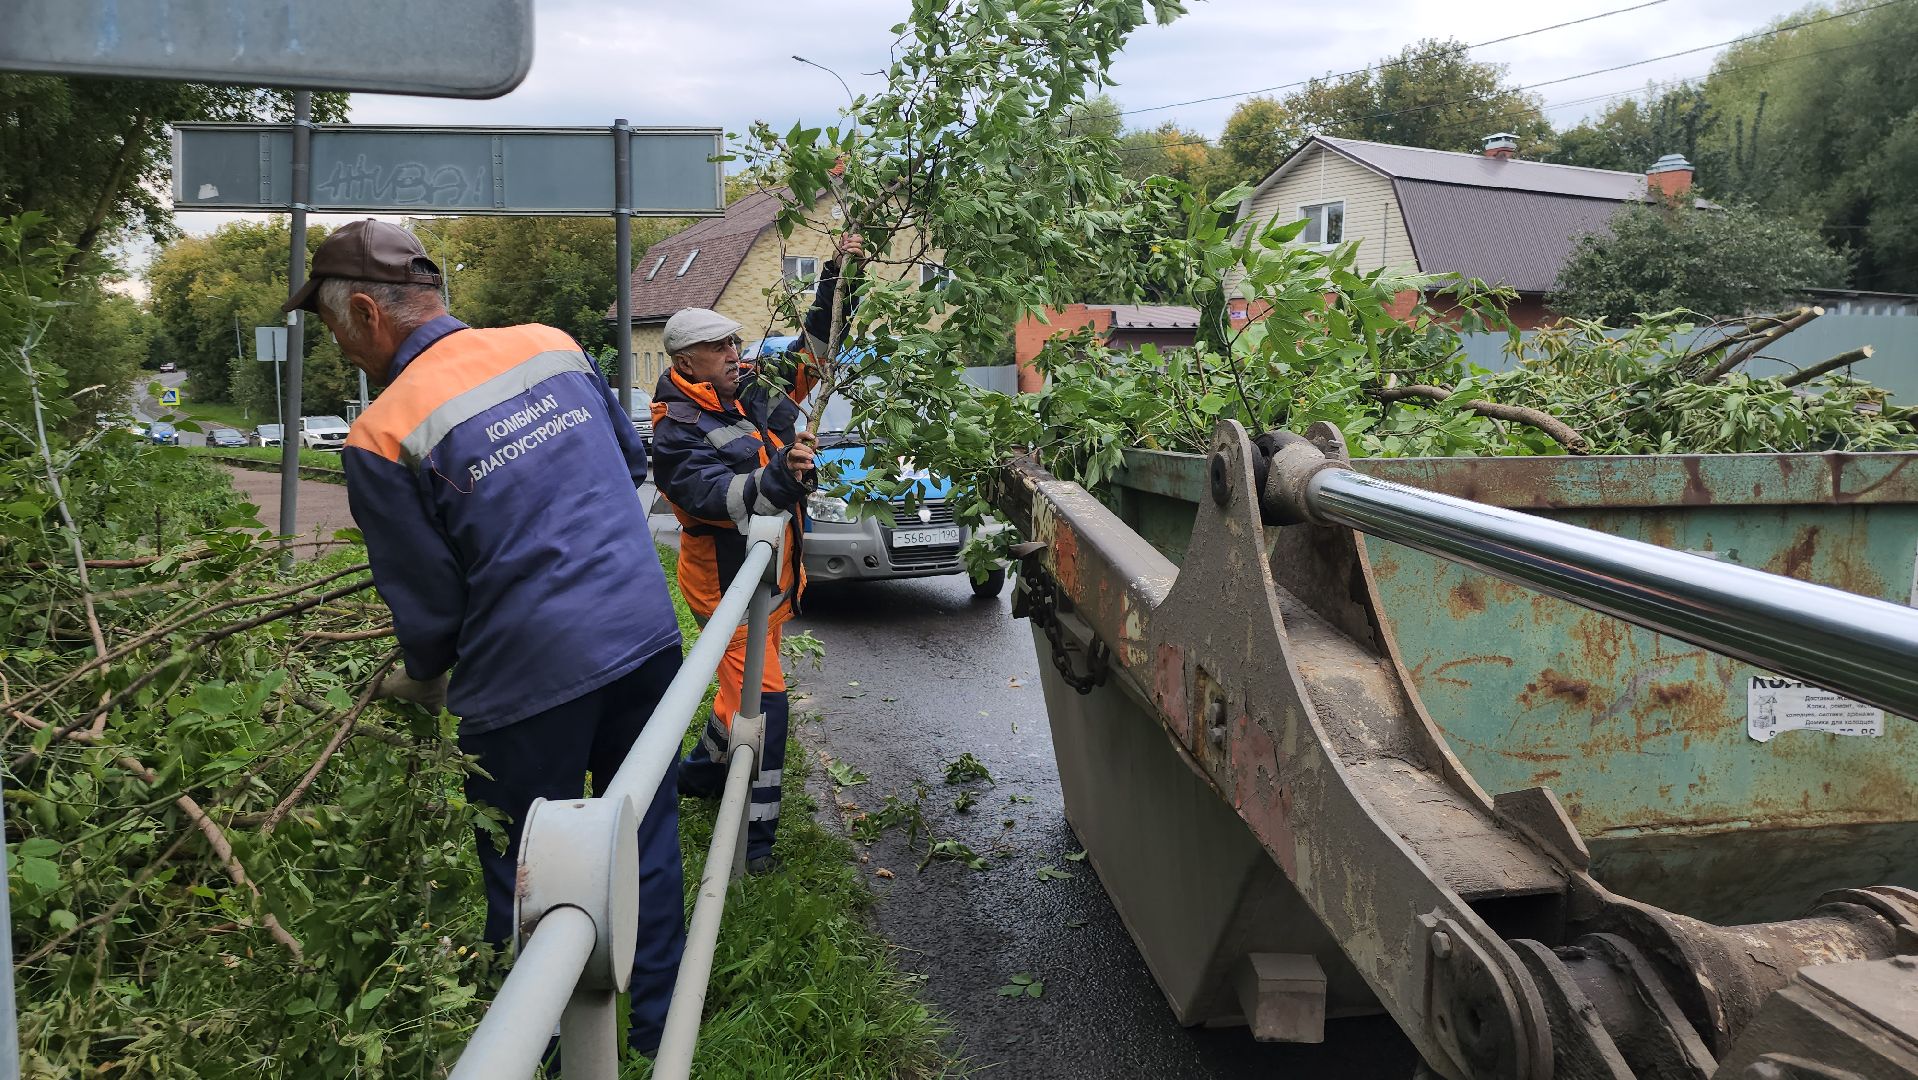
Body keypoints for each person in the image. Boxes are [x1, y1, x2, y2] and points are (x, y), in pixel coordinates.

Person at [286, 218, 686, 1059]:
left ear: (366, 311)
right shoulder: (552, 346)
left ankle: (534, 1049)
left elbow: (429, 607)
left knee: (527, 871)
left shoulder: (382, 432)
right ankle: (654, 1035)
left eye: (332, 328)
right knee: (641, 833)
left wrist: (421, 680)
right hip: (646, 639)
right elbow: (631, 465)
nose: (340, 348)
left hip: (525, 684)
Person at [649, 242, 854, 872]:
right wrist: (780, 476)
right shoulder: (674, 428)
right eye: (723, 350)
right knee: (765, 705)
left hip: (771, 578)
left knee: (732, 697)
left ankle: (697, 777)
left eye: (737, 346)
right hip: (727, 589)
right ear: (688, 361)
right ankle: (755, 843)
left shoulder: (751, 391)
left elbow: (814, 355)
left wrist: (842, 273)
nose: (737, 357)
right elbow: (714, 499)